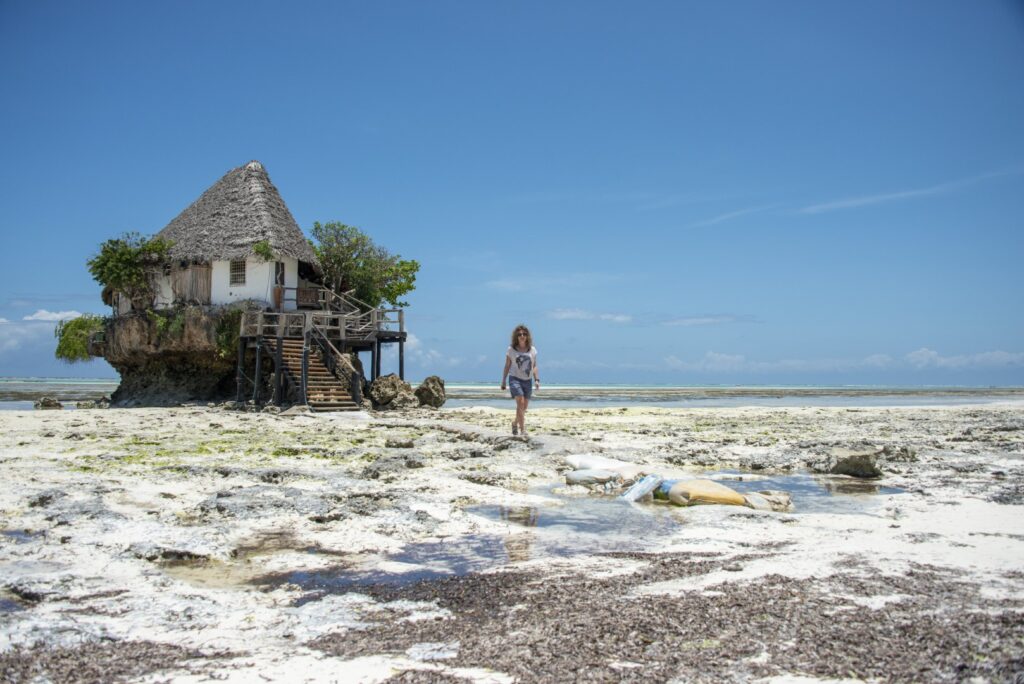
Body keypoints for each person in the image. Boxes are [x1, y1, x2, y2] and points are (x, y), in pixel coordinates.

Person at [501, 324, 539, 436]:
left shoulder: (532, 350)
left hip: (527, 381)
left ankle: (514, 423)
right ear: (516, 337)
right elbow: (507, 365)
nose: (522, 336)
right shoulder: (511, 350)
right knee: (520, 403)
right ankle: (523, 430)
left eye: (524, 334)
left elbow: (534, 366)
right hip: (515, 379)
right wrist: (503, 380)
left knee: (524, 407)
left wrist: (537, 379)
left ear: (527, 336)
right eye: (519, 334)